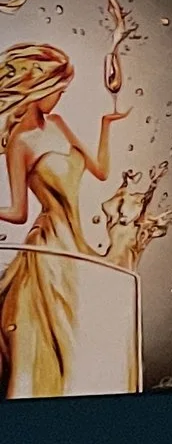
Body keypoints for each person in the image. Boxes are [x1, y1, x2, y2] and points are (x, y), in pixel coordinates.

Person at [0, 39, 128, 396]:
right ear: (39, 89)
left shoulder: (58, 122)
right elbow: (18, 212)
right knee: (54, 340)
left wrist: (106, 124)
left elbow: (100, 171)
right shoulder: (19, 143)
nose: (59, 98)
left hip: (77, 245)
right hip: (48, 252)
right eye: (58, 89)